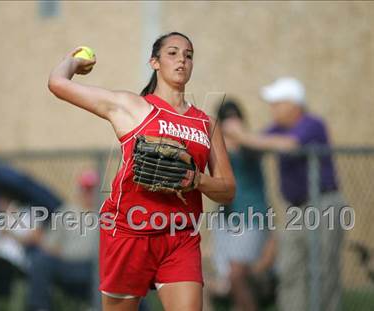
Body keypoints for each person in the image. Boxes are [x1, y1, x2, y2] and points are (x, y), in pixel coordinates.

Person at [48, 32, 236, 311]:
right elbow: (57, 84)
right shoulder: (133, 107)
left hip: (179, 236)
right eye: (172, 53)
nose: (182, 60)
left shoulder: (206, 124)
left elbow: (228, 190)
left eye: (188, 55)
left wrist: (197, 179)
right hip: (128, 232)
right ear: (155, 62)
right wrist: (72, 62)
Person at [224, 77, 344, 311]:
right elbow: (255, 145)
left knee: (322, 271)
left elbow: (288, 145)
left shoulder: (312, 124)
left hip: (323, 205)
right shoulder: (276, 128)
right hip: (296, 209)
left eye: (277, 103)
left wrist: (242, 135)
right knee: (289, 269)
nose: (273, 108)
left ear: (293, 104)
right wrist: (228, 136)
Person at [210, 99, 276, 311]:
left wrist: (240, 136)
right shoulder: (218, 148)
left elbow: (262, 146)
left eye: (235, 119)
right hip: (226, 218)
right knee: (230, 280)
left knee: (237, 274)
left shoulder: (250, 144)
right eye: (227, 121)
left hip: (251, 217)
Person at [26, 170, 100, 311]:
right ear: (80, 190)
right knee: (40, 260)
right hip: (67, 265)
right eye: (86, 189)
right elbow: (50, 245)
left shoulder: (107, 214)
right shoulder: (66, 212)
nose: (89, 194)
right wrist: (39, 239)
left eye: (92, 190)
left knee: (106, 267)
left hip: (93, 267)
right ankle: (39, 308)